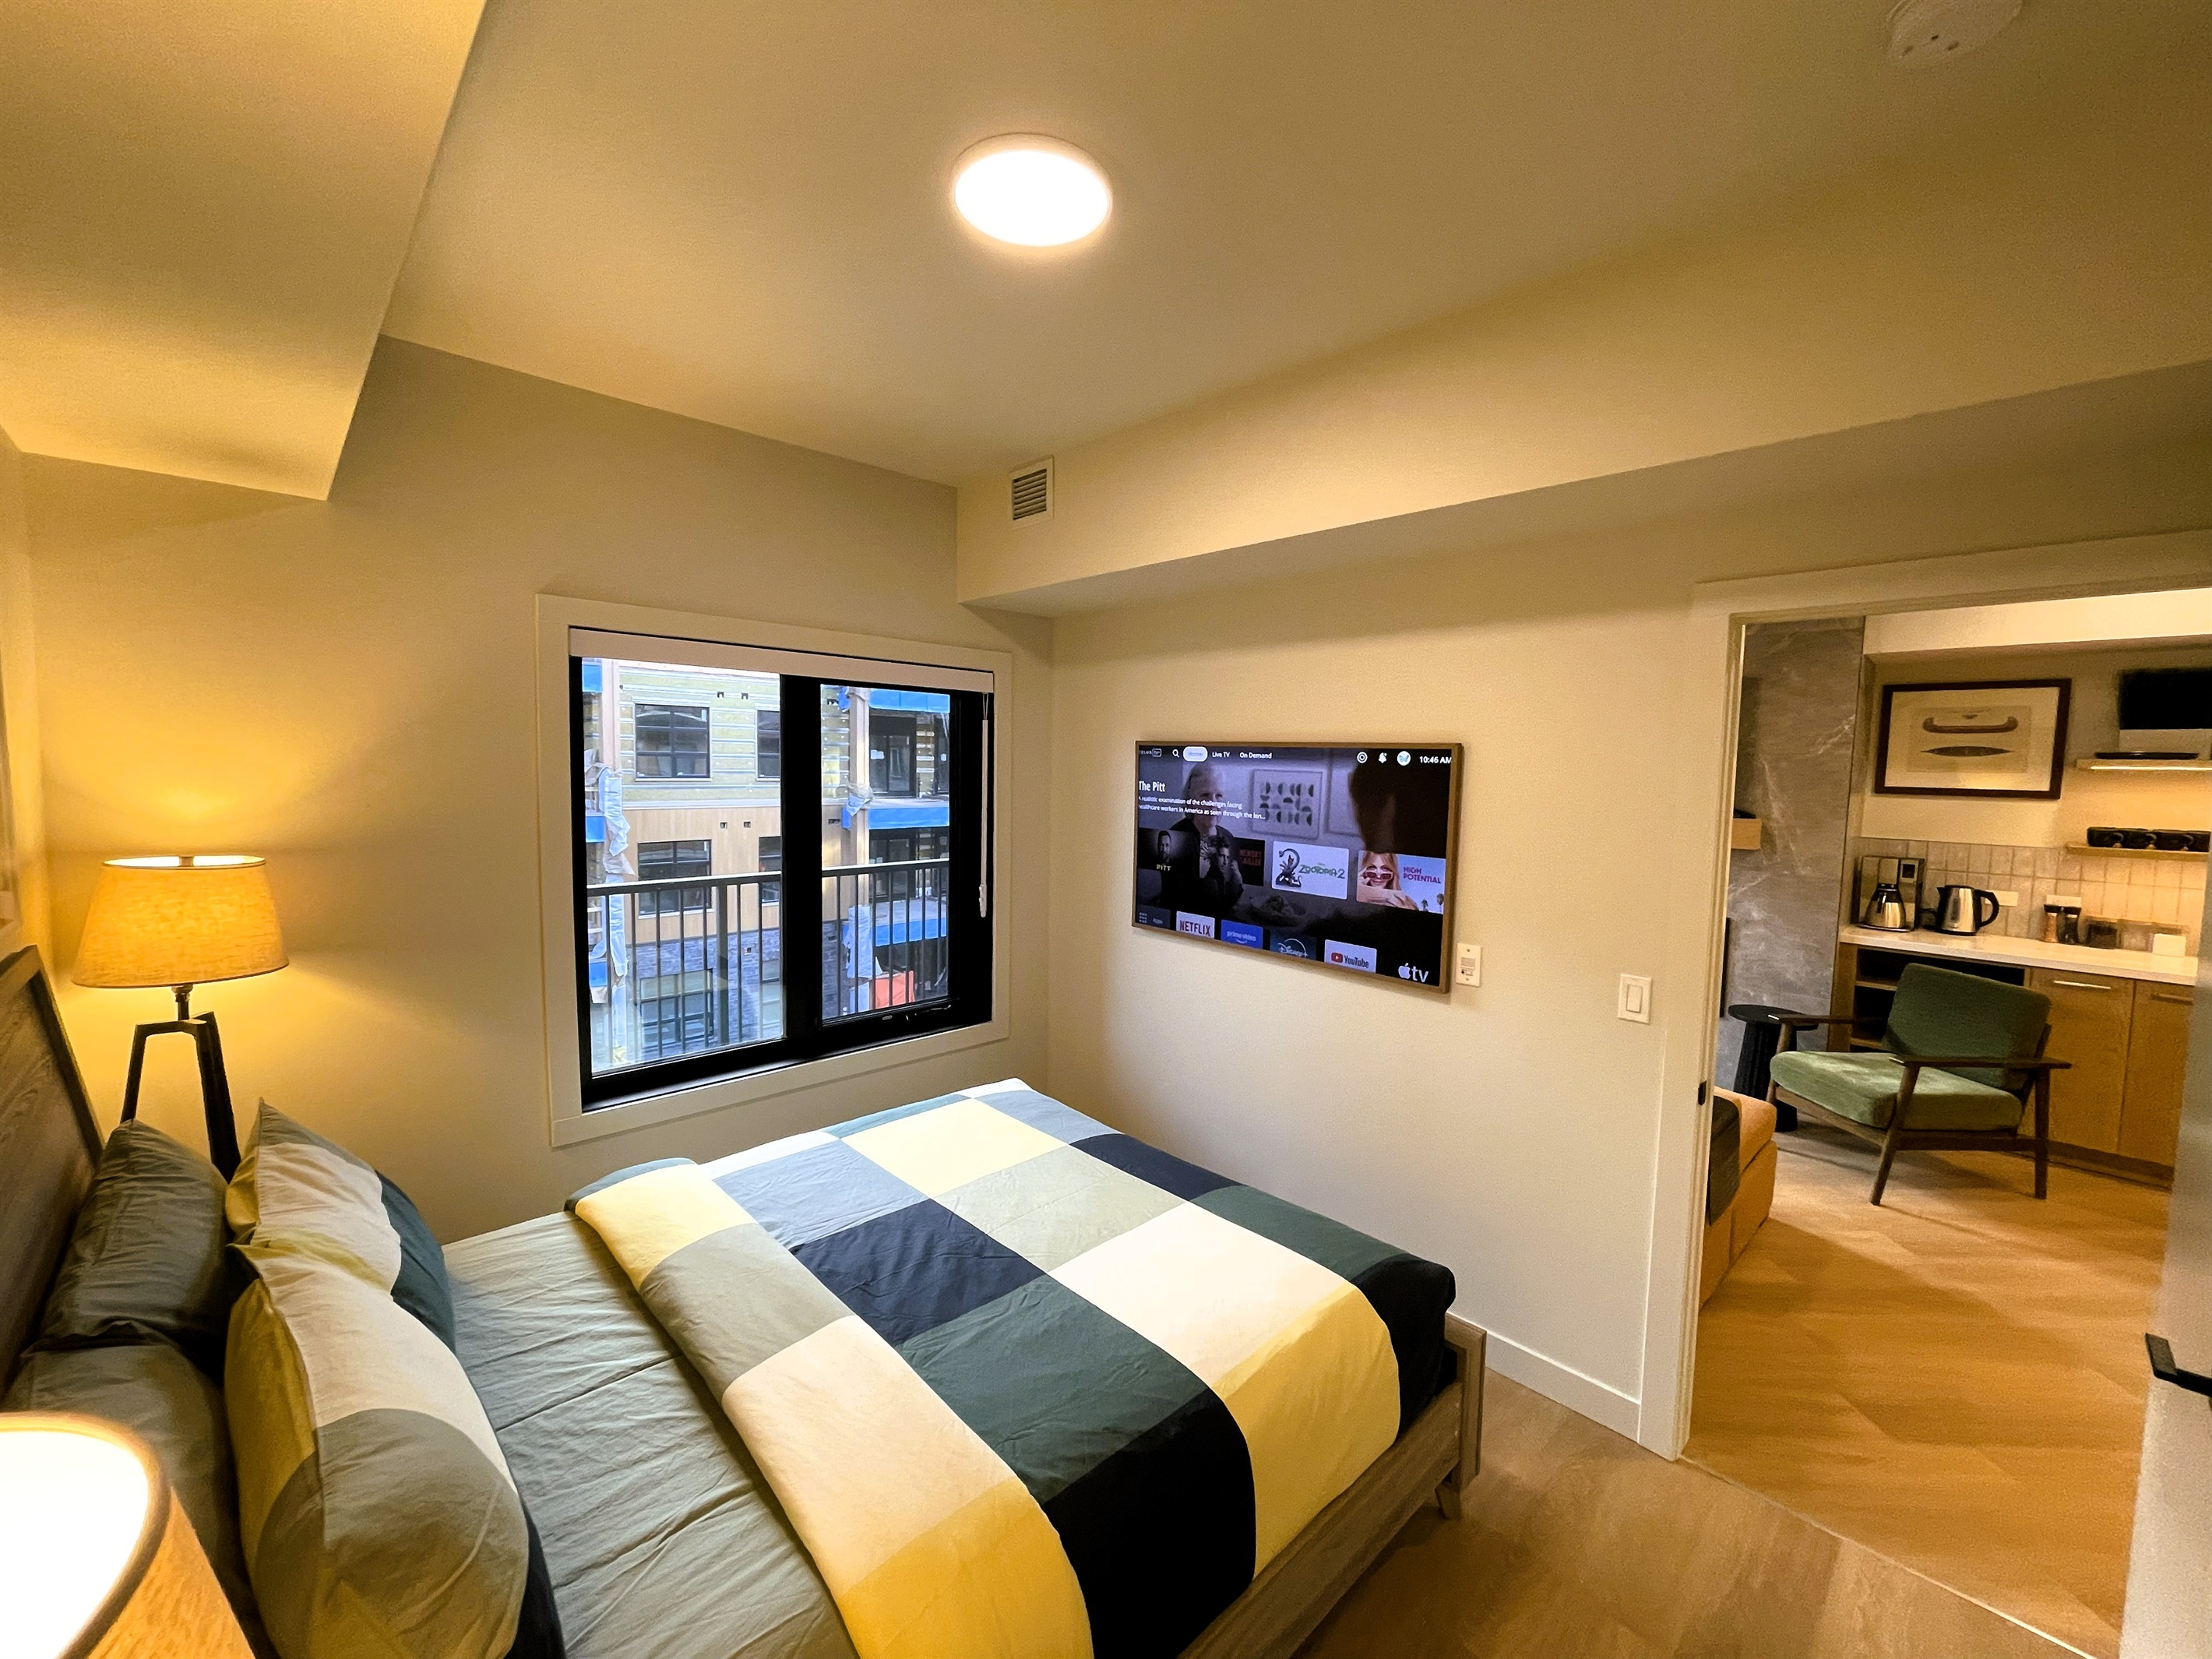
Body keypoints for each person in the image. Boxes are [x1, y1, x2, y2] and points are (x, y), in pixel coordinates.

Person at [1160, 762, 1244, 913]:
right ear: (1190, 800)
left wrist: (1237, 885)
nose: (1213, 804)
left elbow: (1229, 899)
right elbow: (1177, 900)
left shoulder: (1227, 838)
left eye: (1219, 796)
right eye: (1205, 795)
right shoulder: (1176, 837)